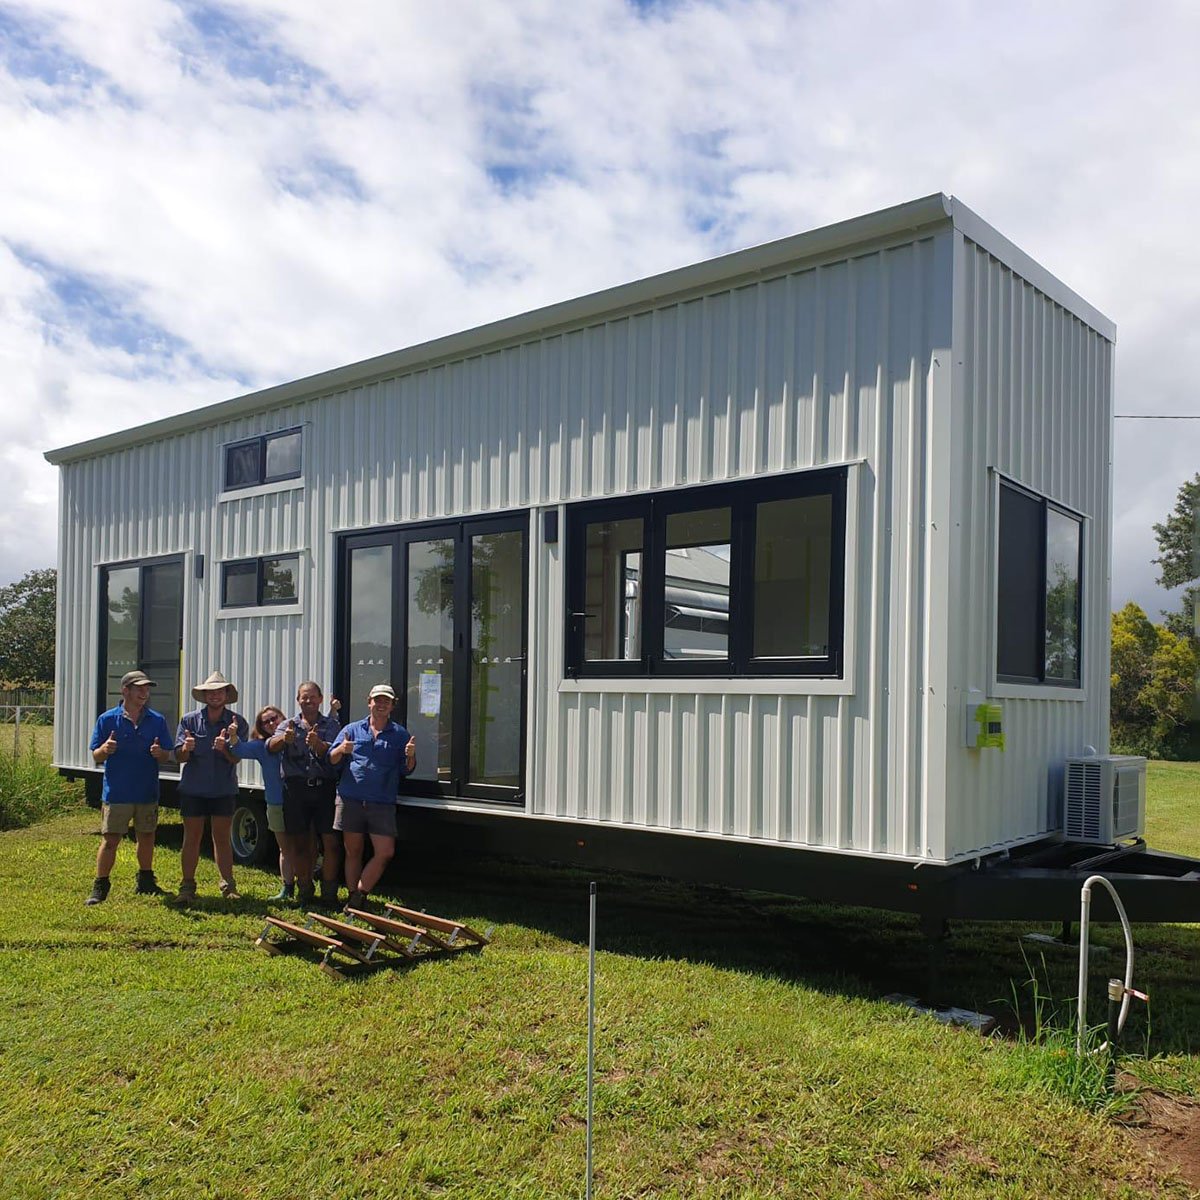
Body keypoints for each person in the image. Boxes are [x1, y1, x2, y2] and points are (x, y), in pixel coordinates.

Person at [85, 669, 174, 904]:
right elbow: (96, 755)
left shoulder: (157, 720)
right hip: (118, 791)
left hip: (147, 791)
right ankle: (100, 885)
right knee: (111, 839)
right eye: (139, 688)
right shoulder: (107, 719)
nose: (144, 693)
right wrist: (105, 750)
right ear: (125, 690)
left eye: (147, 689)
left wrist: (160, 753)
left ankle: (146, 881)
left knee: (146, 836)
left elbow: (167, 755)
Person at [329, 684, 416, 912]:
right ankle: (353, 898)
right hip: (351, 800)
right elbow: (332, 759)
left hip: (382, 802)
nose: (381, 704)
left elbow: (406, 770)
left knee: (385, 852)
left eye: (386, 701)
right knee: (353, 851)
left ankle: (360, 893)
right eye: (377, 700)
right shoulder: (352, 729)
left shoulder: (400, 734)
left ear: (392, 706)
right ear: (369, 702)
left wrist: (411, 757)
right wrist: (341, 750)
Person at [174, 670, 250, 902]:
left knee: (222, 838)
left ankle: (228, 885)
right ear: (204, 696)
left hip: (222, 789)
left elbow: (237, 758)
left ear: (226, 695)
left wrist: (225, 748)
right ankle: (187, 887)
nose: (215, 695)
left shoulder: (238, 723)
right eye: (210, 692)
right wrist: (186, 748)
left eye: (219, 691)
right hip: (193, 789)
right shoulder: (189, 720)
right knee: (192, 838)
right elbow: (178, 757)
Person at [277, 681, 344, 906]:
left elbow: (336, 754)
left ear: (321, 699)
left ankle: (329, 893)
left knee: (331, 842)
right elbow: (271, 745)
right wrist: (282, 740)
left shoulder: (332, 725)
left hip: (325, 789)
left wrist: (319, 745)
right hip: (295, 789)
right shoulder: (288, 725)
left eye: (313, 697)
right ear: (298, 700)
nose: (308, 701)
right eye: (304, 697)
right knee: (300, 843)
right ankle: (304, 890)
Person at [232, 705, 292, 900]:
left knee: (305, 846)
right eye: (266, 722)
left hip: (300, 801)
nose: (272, 723)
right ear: (261, 727)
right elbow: (238, 749)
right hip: (276, 802)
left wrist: (334, 712)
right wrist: (233, 735)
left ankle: (307, 887)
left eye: (274, 718)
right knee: (284, 848)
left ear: (282, 717)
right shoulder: (261, 747)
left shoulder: (294, 737)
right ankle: (288, 888)